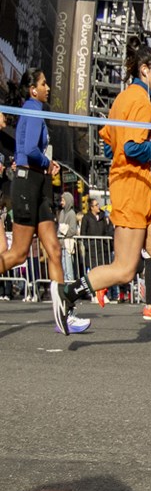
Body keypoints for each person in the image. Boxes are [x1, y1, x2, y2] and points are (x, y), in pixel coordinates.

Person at [59, 43, 151, 352]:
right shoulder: (141, 102)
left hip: (139, 190)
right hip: (133, 189)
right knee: (125, 269)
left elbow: (110, 146)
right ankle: (68, 292)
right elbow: (132, 149)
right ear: (144, 69)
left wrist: (135, 151)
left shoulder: (122, 99)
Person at [1, 70, 89, 332]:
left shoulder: (36, 110)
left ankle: (64, 315)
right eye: (43, 84)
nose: (48, 87)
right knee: (17, 254)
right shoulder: (33, 109)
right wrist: (48, 163)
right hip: (28, 182)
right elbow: (29, 151)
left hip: (39, 186)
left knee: (55, 250)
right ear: (32, 90)